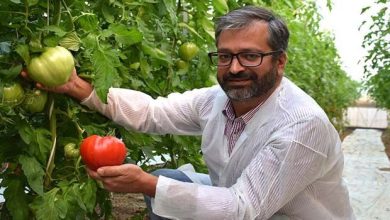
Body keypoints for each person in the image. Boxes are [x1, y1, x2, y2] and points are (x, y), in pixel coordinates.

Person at [23, 5, 355, 220]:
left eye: (250, 56)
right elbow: (152, 113)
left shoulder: (300, 125)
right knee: (171, 181)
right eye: (225, 56)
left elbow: (242, 208)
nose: (234, 67)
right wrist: (78, 88)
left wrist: (148, 184)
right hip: (243, 203)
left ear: (279, 62)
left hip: (280, 215)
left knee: (162, 186)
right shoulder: (217, 100)